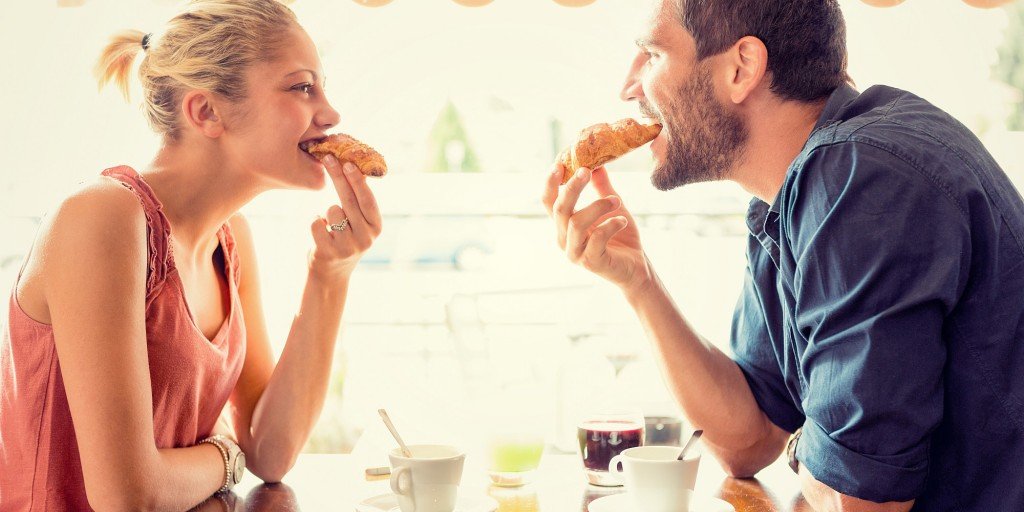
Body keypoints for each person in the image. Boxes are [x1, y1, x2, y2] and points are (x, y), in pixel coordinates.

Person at [542, 0, 1024, 510]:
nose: (629, 87)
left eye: (653, 55)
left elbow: (858, 501)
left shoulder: (861, 178)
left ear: (742, 68)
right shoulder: (789, 192)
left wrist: (801, 443)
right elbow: (747, 440)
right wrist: (639, 283)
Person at [0, 0, 382, 509]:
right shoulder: (102, 218)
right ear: (206, 112)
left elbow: (269, 452)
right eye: (301, 87)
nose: (331, 114)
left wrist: (330, 272)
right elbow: (129, 497)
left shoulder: (230, 239)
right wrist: (225, 455)